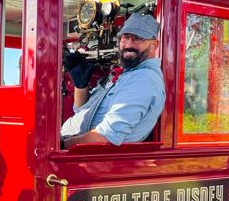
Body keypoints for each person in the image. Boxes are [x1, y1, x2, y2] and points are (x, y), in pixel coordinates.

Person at [61, 12, 165, 147]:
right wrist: (81, 87)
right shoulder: (125, 74)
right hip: (71, 141)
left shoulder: (143, 79)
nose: (129, 44)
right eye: (125, 37)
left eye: (138, 38)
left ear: (154, 46)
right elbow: (82, 111)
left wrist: (61, 145)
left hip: (82, 156)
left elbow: (107, 135)